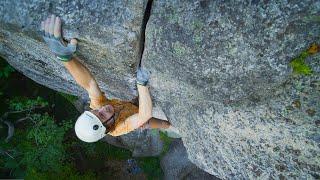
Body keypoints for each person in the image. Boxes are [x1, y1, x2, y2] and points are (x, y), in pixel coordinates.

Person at [40, 15, 179, 143]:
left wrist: (65, 58)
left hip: (129, 106)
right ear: (108, 126)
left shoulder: (98, 107)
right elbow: (144, 115)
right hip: (136, 117)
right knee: (157, 124)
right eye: (101, 117)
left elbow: (89, 84)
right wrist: (142, 84)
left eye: (94, 112)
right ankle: (172, 127)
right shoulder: (118, 128)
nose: (101, 110)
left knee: (137, 102)